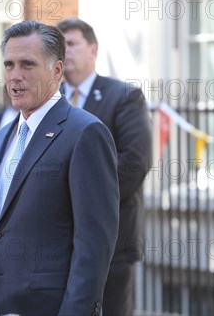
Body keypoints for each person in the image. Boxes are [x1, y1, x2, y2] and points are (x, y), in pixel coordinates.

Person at [0, 21, 120, 315]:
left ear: (57, 70)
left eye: (27, 64)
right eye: (9, 65)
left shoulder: (85, 133)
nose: (15, 76)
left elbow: (93, 248)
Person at [57, 17, 153, 316]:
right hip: (58, 242)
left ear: (93, 50)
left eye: (71, 44)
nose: (65, 51)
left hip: (112, 240)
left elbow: (134, 162)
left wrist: (82, 204)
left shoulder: (123, 96)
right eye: (59, 46)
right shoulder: (48, 101)